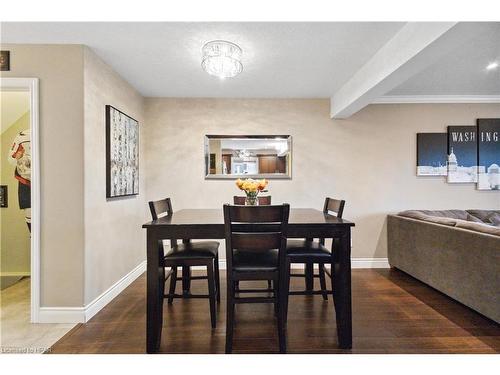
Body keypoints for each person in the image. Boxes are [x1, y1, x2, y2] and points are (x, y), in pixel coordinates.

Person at [8, 128, 31, 232]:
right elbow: (10, 159)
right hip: (25, 180)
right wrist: (17, 156)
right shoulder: (22, 136)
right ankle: (33, 237)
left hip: (47, 180)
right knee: (29, 213)